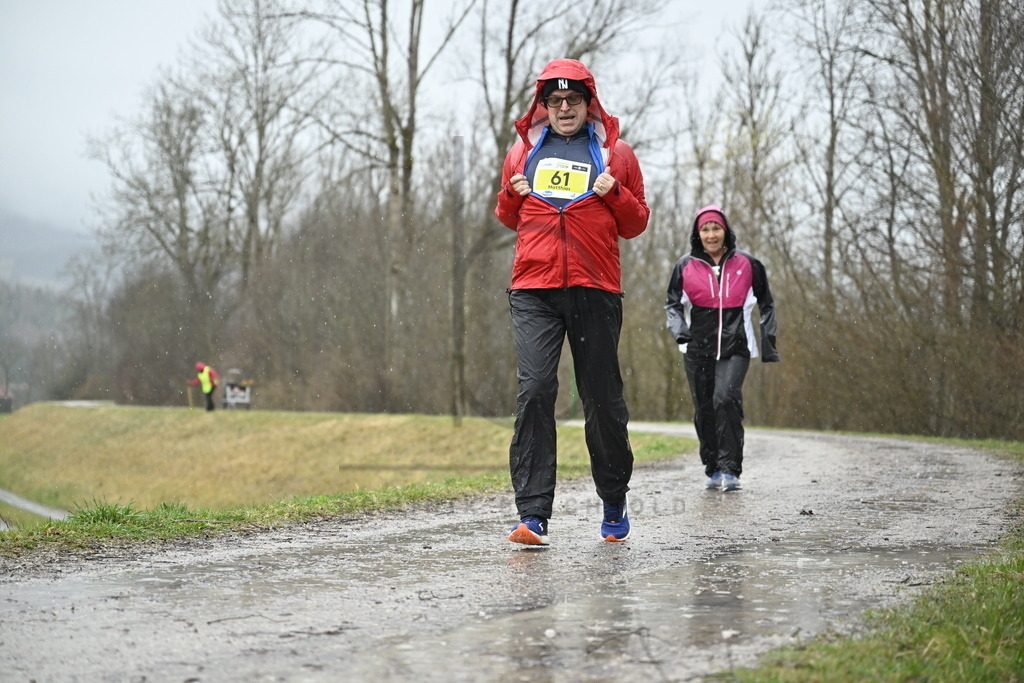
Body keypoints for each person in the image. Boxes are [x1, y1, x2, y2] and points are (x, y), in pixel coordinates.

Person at [495, 58, 650, 545]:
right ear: (544, 105)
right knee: (537, 389)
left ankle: (613, 498)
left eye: (573, 101)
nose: (564, 108)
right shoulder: (522, 152)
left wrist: (616, 193)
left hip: (595, 288)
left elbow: (636, 221)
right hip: (534, 289)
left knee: (601, 400)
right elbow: (505, 215)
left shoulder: (615, 152)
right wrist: (512, 196)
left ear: (589, 104)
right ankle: (534, 514)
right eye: (555, 101)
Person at [664, 205, 779, 492]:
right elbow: (672, 305)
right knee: (704, 408)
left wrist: (769, 344)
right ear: (697, 234)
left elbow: (767, 305)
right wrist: (681, 333)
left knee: (725, 399)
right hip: (696, 347)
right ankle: (712, 467)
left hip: (736, 345)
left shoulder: (749, 265)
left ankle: (731, 470)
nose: (711, 234)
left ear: (725, 231)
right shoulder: (685, 266)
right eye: (705, 229)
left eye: (716, 228)